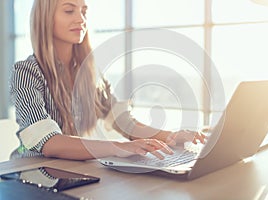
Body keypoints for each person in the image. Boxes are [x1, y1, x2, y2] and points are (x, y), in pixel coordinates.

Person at [9, 0, 206, 161]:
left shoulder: (89, 73)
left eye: (84, 11)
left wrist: (170, 136)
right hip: (31, 175)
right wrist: (118, 147)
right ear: (45, 19)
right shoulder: (26, 72)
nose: (81, 19)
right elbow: (49, 143)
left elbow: (124, 122)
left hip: (75, 170)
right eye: (69, 10)